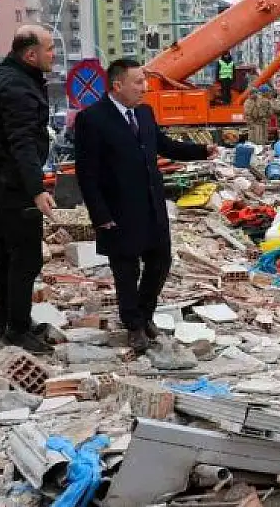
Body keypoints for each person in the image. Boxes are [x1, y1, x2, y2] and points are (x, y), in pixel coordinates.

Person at [74, 59, 218, 353]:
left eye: (144, 80)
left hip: (151, 203)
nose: (145, 87)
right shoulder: (93, 119)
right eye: (138, 82)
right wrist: (99, 215)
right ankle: (134, 327)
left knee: (160, 262)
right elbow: (86, 174)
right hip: (117, 209)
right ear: (117, 85)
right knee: (126, 271)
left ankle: (145, 314)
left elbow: (163, 145)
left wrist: (201, 150)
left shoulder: (144, 112)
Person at [0, 26, 57, 353]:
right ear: (30, 54)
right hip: (11, 184)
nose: (53, 54)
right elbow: (21, 141)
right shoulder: (16, 86)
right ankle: (17, 329)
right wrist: (36, 189)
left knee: (3, 255)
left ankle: (10, 320)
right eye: (49, 49)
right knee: (24, 257)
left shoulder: (5, 74)